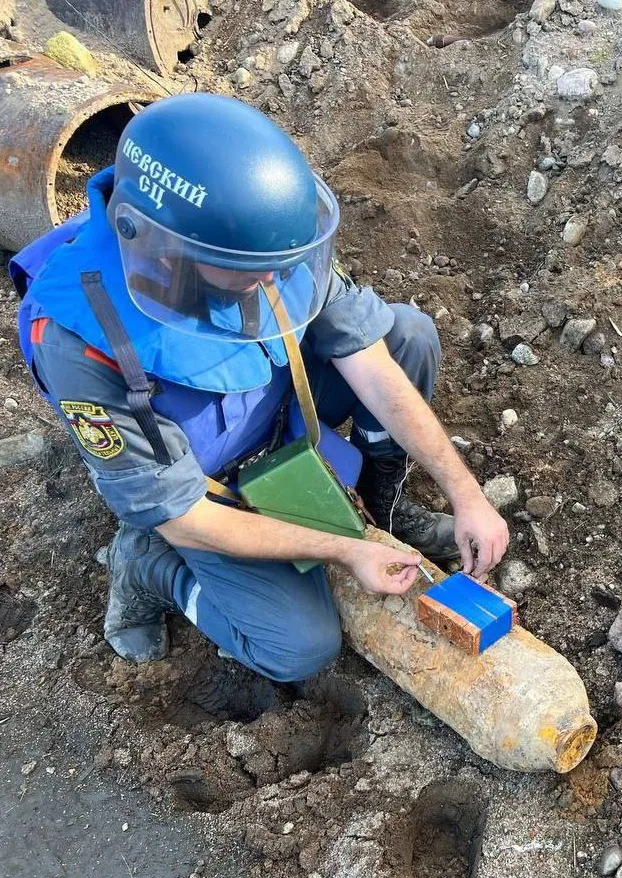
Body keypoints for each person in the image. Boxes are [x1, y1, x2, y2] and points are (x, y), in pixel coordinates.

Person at [9, 93, 509, 682]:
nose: (276, 278)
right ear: (172, 252)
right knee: (297, 649)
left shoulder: (260, 248)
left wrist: (466, 492)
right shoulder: (82, 336)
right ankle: (149, 567)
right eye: (254, 268)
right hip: (199, 487)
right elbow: (184, 513)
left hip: (275, 415)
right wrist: (345, 552)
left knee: (408, 336)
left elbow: (370, 360)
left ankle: (382, 508)